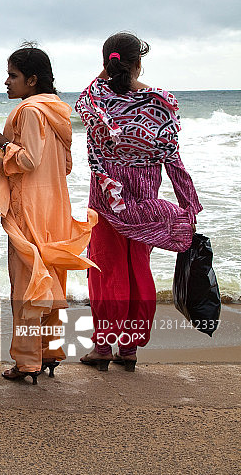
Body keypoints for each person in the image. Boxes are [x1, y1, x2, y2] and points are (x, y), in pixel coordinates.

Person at [75, 32, 201, 371]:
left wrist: (103, 76)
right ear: (139, 63)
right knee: (136, 269)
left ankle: (102, 346)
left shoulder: (96, 100)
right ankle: (128, 349)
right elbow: (173, 159)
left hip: (105, 199)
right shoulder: (161, 103)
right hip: (144, 203)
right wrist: (189, 207)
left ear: (106, 63)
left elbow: (82, 103)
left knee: (104, 268)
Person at [0, 46, 97, 384]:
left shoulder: (30, 111)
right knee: (50, 280)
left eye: (12, 75)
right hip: (55, 206)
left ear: (32, 80)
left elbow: (27, 160)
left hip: (29, 207)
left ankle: (27, 362)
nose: (6, 82)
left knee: (28, 284)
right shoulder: (57, 110)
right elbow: (67, 165)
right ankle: (48, 352)